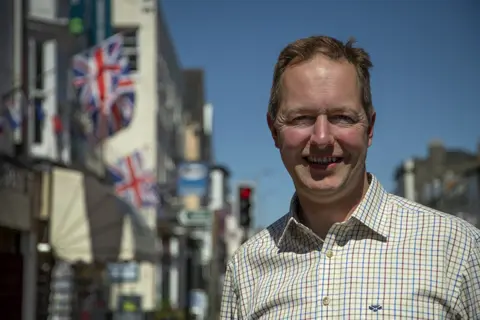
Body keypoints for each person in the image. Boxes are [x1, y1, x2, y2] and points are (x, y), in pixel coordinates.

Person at [220, 35, 480, 319]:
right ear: (274, 132)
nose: (321, 138)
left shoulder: (458, 250)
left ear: (369, 129)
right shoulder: (246, 268)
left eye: (342, 117)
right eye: (301, 118)